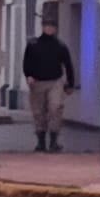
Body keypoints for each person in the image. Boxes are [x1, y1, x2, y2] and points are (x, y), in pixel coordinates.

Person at [22, 18, 76, 152]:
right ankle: (41, 142)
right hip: (37, 82)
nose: (49, 28)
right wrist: (28, 76)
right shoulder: (33, 45)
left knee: (55, 108)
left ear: (55, 29)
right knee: (38, 112)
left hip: (55, 81)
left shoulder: (60, 46)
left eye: (52, 26)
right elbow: (27, 62)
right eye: (47, 26)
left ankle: (53, 141)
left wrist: (70, 84)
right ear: (42, 27)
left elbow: (68, 65)